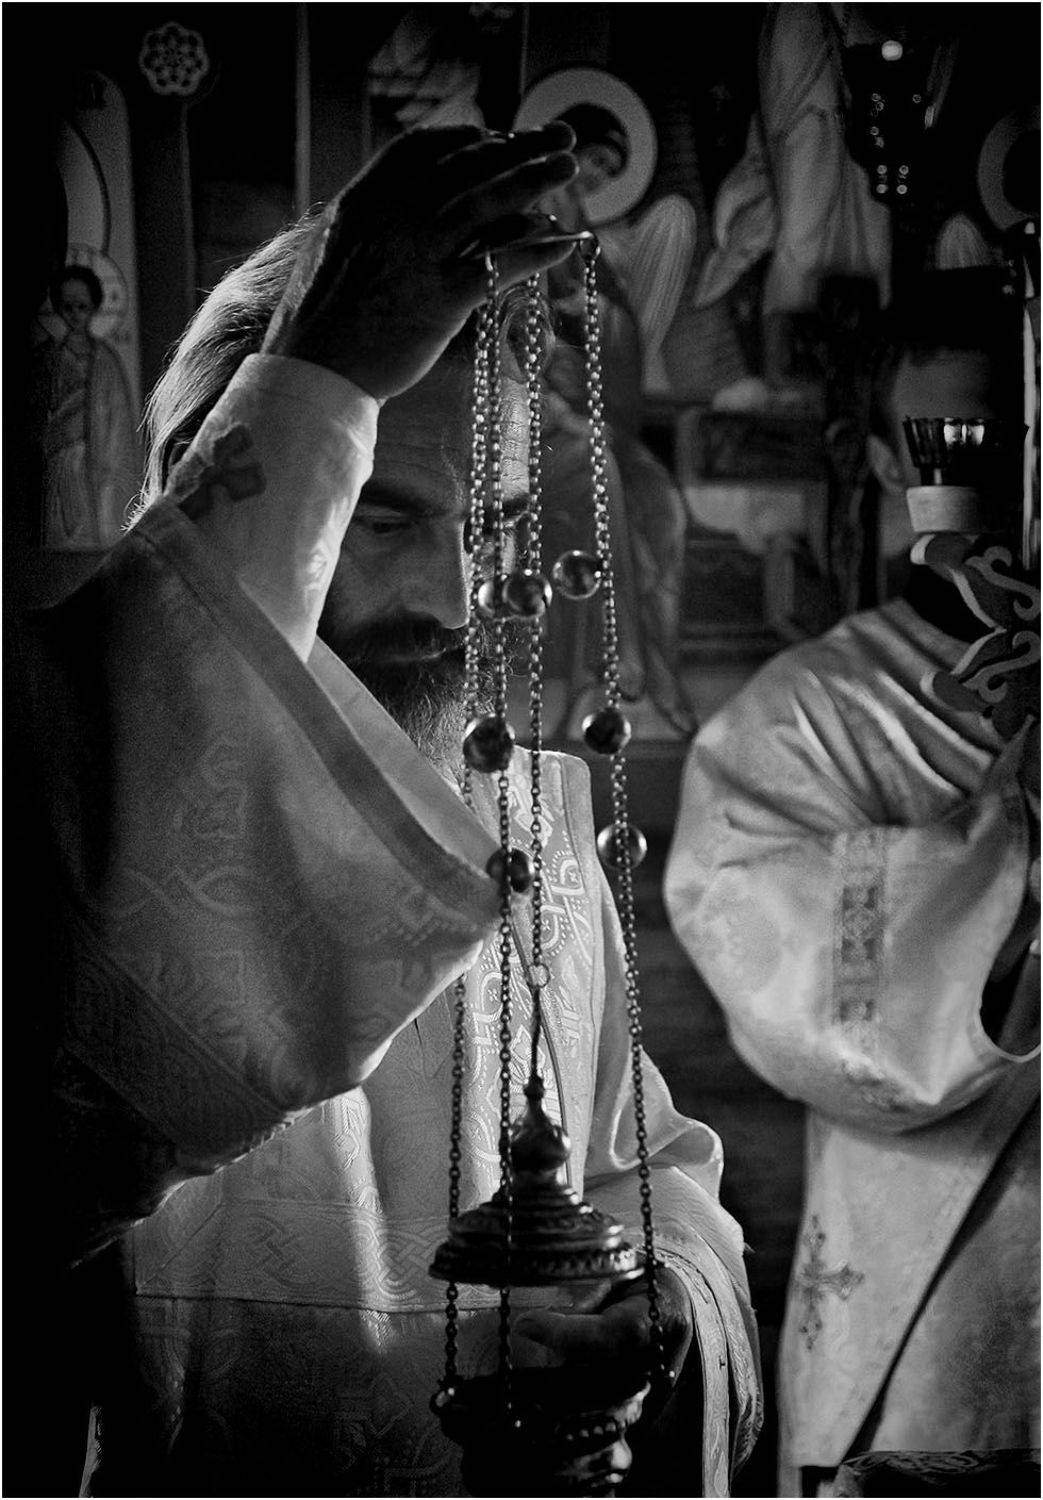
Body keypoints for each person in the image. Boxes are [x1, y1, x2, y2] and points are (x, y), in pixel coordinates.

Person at [14, 124, 761, 1496]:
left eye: (491, 529)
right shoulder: (66, 800)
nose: (454, 601)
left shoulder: (537, 816)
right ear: (227, 496)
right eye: (376, 515)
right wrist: (322, 363)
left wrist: (654, 1304)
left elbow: (635, 1163)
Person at [663, 273, 1040, 1494]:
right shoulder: (802, 719)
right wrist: (1015, 839)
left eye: (1023, 437)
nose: (999, 481)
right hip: (932, 1310)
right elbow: (803, 1002)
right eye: (950, 443)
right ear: (879, 458)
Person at [538, 101, 698, 739]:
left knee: (661, 502)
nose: (598, 177)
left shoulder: (585, 239)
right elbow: (504, 347)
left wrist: (599, 314)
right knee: (601, 478)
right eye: (595, 159)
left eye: (609, 169)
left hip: (591, 422)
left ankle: (657, 670)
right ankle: (616, 667)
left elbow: (610, 321)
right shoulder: (524, 224)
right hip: (530, 431)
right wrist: (562, 411)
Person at [30, 263, 141, 549]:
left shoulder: (106, 361)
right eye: (68, 308)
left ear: (93, 307)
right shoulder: (48, 359)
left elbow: (119, 426)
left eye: (82, 307)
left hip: (95, 468)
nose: (75, 315)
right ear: (58, 309)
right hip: (59, 467)